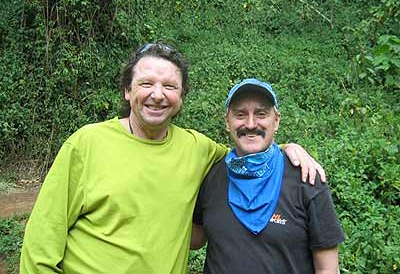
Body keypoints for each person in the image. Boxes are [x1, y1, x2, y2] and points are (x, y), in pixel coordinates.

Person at [20, 43, 325, 274]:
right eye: (146, 83)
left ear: (180, 97)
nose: (157, 94)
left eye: (169, 86)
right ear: (128, 91)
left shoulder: (197, 149)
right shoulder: (86, 143)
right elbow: (42, 240)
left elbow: (248, 151)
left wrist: (288, 149)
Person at [191, 78, 345, 274]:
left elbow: (328, 269)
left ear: (276, 120)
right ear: (227, 122)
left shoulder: (306, 178)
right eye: (240, 114)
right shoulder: (212, 175)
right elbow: (195, 239)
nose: (250, 123)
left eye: (261, 114)